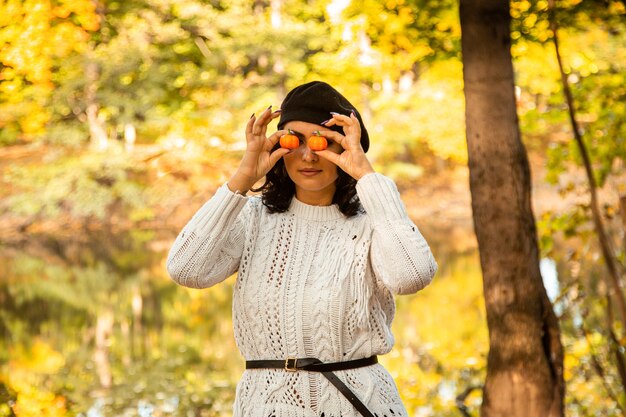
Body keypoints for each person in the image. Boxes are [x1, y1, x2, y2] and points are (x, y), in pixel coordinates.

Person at [166, 81, 438, 417]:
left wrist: (368, 177)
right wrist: (242, 177)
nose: (308, 155)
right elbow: (185, 268)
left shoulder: (372, 221)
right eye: (294, 141)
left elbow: (411, 275)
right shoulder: (253, 218)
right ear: (279, 146)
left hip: (360, 405)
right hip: (266, 406)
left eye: (323, 142)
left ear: (344, 148)